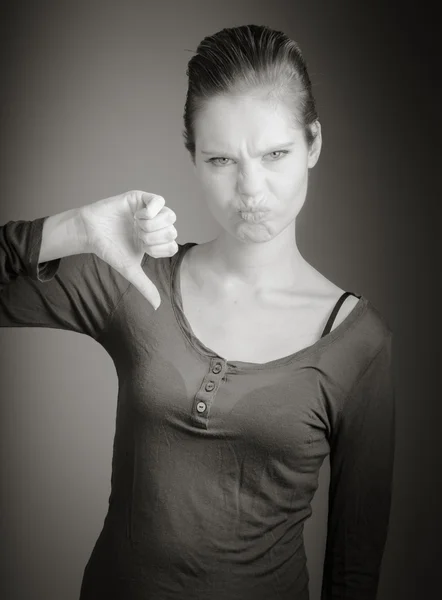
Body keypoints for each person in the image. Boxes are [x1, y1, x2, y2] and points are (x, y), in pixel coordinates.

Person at [0, 24, 395, 600]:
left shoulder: (359, 343)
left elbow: (353, 571)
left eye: (275, 154)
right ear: (192, 158)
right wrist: (76, 228)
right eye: (220, 160)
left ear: (313, 143)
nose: (250, 189)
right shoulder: (136, 278)